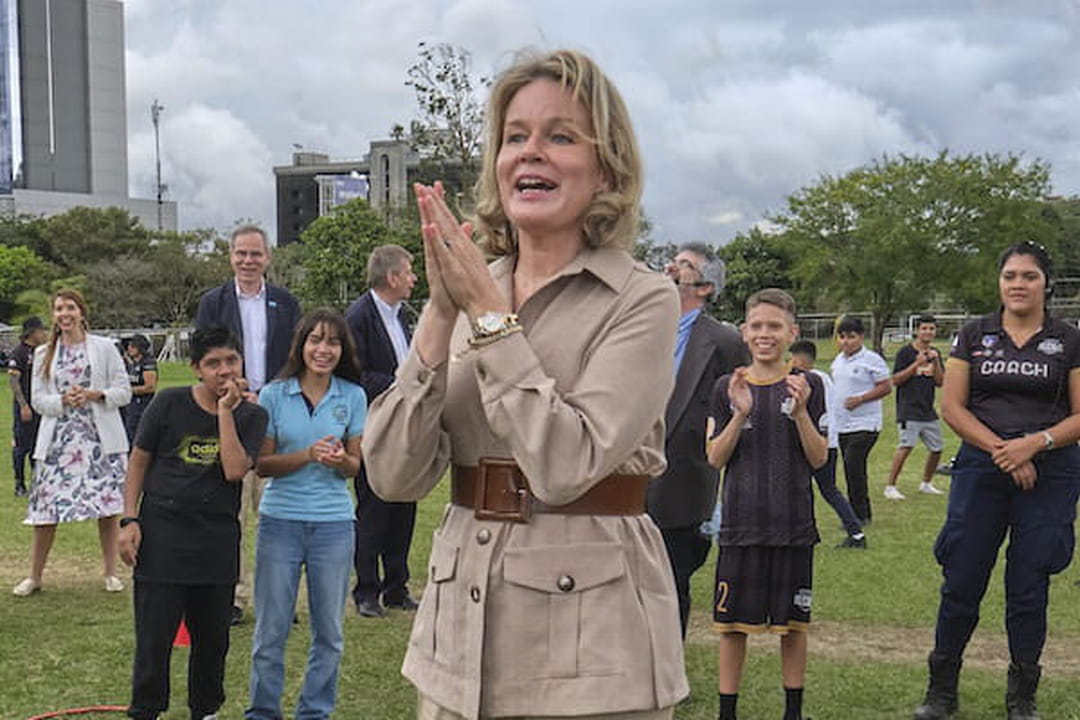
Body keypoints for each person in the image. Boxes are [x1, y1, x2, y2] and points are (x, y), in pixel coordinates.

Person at [362, 49, 688, 719]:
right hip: (456, 641)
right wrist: (442, 312)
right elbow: (392, 476)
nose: (530, 152)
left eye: (560, 136)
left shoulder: (642, 299)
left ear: (606, 169)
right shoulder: (469, 293)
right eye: (515, 137)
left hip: (588, 651)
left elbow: (566, 465)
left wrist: (488, 316)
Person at [914, 242, 1080, 720]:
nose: (1018, 284)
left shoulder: (1069, 340)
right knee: (962, 578)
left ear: (1047, 283)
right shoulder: (974, 334)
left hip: (1049, 472)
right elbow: (952, 407)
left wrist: (1035, 444)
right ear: (999, 281)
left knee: (1029, 584)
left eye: (1029, 276)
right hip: (983, 468)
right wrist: (1004, 451)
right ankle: (941, 691)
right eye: (1010, 275)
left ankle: (1022, 696)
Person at [119, 327, 268, 720]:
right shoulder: (168, 403)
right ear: (196, 368)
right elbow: (139, 461)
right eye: (213, 363)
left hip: (216, 542)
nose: (224, 370)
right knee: (154, 639)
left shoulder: (253, 415)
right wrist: (129, 518)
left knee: (212, 641)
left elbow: (234, 470)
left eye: (231, 361)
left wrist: (225, 413)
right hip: (162, 536)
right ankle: (146, 709)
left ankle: (206, 710)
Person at [706, 289, 827, 720]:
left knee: (792, 626)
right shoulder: (727, 387)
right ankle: (727, 712)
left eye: (774, 326)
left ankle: (793, 712)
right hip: (741, 526)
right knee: (731, 627)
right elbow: (715, 457)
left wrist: (801, 413)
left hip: (793, 525)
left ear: (792, 333)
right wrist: (740, 413)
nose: (765, 334)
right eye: (756, 325)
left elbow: (820, 457)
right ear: (744, 332)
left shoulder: (808, 385)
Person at [247, 309, 366, 719]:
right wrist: (307, 455)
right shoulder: (274, 394)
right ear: (301, 345)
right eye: (315, 340)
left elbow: (355, 466)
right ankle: (263, 712)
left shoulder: (353, 396)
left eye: (333, 342)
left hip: (334, 525)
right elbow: (262, 466)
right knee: (271, 630)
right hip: (280, 522)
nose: (323, 349)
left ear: (342, 350)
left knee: (329, 633)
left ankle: (314, 712)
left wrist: (340, 461)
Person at [196, 223, 302, 623]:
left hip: (276, 415)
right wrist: (235, 389)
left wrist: (270, 393)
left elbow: (297, 358)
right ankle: (234, 596)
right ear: (230, 257)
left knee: (278, 513)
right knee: (232, 514)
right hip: (231, 415)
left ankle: (280, 596)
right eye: (241, 253)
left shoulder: (286, 303)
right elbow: (204, 358)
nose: (248, 261)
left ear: (268, 258)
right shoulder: (213, 303)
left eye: (255, 253)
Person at [651, 243, 747, 636]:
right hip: (626, 476)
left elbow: (737, 408)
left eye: (685, 265)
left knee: (672, 582)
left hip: (682, 484)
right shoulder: (641, 324)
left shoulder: (724, 342)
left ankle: (668, 662)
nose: (671, 267)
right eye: (673, 261)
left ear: (706, 287)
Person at [13, 289, 131, 596]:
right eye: (59, 309)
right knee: (46, 510)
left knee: (107, 508)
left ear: (81, 311)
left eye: (70, 308)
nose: (64, 314)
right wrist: (63, 400)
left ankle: (110, 573)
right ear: (53, 315)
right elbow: (39, 400)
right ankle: (35, 576)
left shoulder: (104, 347)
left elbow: (123, 391)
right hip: (58, 442)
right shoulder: (43, 353)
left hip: (100, 440)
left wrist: (96, 394)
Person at [344, 244, 420, 618]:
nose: (413, 279)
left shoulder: (401, 315)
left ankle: (396, 586)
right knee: (373, 509)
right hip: (373, 425)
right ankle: (366, 590)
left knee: (404, 505)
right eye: (408, 272)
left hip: (404, 425)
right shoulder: (358, 317)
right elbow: (354, 375)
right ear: (392, 277)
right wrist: (402, 383)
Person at [789, 340, 866, 549]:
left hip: (815, 442)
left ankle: (853, 531)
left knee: (815, 489)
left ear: (798, 360)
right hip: (829, 440)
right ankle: (854, 531)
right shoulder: (824, 378)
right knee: (827, 489)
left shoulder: (809, 379)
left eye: (791, 359)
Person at [830, 316, 891, 524]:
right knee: (850, 469)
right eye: (842, 337)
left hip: (865, 423)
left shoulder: (871, 359)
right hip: (842, 424)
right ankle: (857, 513)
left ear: (861, 337)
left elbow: (886, 387)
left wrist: (861, 399)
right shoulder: (838, 361)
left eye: (851, 337)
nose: (846, 341)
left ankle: (860, 514)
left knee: (853, 464)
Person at [884, 315, 947, 499]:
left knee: (937, 448)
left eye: (931, 329)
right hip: (909, 409)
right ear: (917, 331)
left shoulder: (935, 353)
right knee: (906, 446)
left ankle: (926, 483)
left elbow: (941, 382)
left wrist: (935, 362)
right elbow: (896, 380)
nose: (928, 332)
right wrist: (916, 364)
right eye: (924, 328)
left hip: (927, 409)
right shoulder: (905, 352)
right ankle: (890, 486)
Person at [8, 316, 48, 496]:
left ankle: (37, 481)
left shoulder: (42, 352)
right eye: (40, 330)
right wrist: (23, 405)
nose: (43, 334)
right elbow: (13, 380)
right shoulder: (20, 352)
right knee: (21, 446)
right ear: (32, 332)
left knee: (37, 445)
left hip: (40, 405)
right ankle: (19, 483)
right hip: (25, 406)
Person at [122, 334, 158, 443]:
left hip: (142, 403)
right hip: (130, 402)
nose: (129, 348)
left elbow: (150, 387)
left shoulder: (148, 362)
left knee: (137, 434)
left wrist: (129, 390)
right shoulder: (131, 362)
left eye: (133, 346)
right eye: (129, 346)